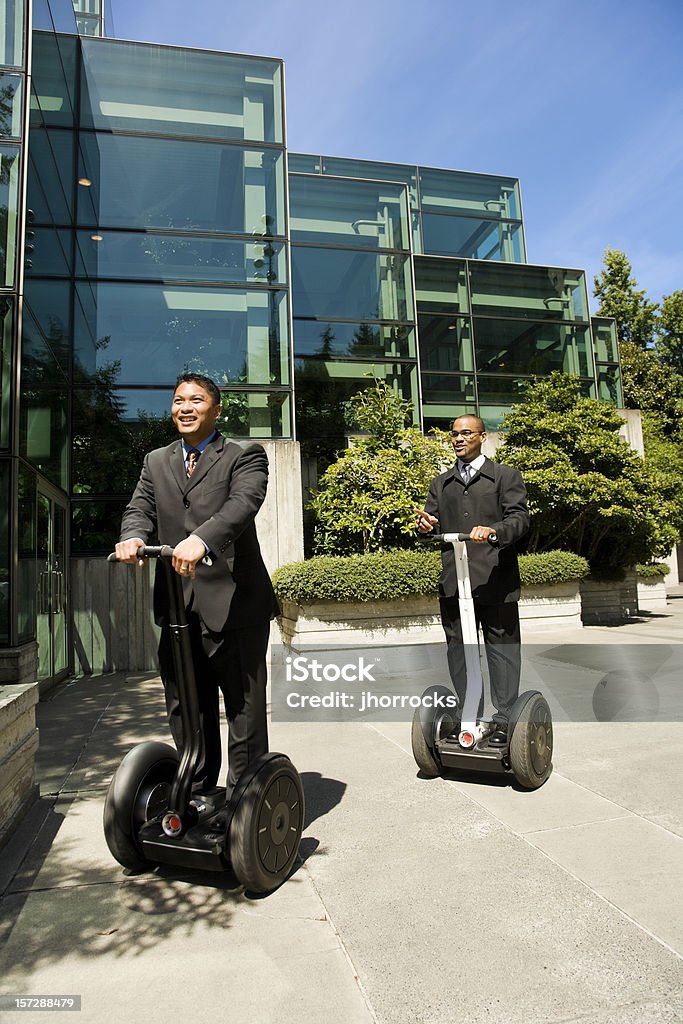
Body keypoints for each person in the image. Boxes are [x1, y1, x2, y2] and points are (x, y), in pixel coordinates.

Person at [114, 372, 279, 797]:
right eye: (178, 400)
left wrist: (201, 539)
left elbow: (243, 504)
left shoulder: (245, 456)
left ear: (216, 409)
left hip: (236, 604)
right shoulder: (156, 461)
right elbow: (140, 508)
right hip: (176, 605)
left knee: (242, 708)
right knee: (186, 703)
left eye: (196, 400)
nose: (185, 407)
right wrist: (133, 535)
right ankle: (199, 788)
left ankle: (245, 799)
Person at [416, 414, 529, 745]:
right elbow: (431, 529)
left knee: (502, 653)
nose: (458, 438)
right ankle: (471, 718)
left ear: (483, 436)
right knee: (460, 653)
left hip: (495, 581)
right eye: (454, 434)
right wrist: (425, 528)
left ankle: (506, 721)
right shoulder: (441, 483)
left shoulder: (505, 477)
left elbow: (519, 519)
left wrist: (494, 531)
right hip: (456, 584)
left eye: (466, 433)